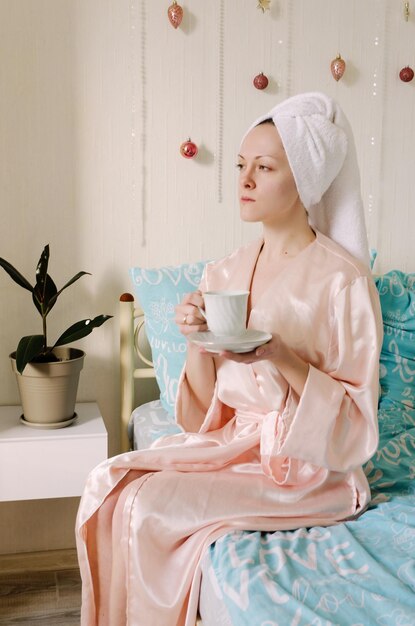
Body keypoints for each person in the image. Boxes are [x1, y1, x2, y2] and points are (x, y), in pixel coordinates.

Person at [76, 92, 383, 626]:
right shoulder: (222, 273)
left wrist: (283, 356)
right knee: (111, 485)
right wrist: (196, 337)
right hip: (232, 446)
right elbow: (197, 420)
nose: (243, 181)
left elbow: (356, 422)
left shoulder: (344, 280)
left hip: (311, 469)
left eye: (264, 168)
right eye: (242, 166)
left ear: (305, 182)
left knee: (150, 506)